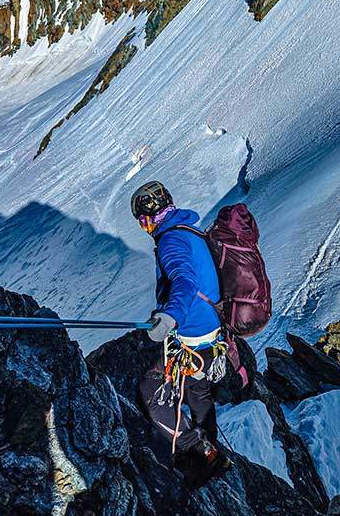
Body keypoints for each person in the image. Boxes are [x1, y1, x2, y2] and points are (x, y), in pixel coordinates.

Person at [130, 180, 230, 482]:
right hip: (212, 334)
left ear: (148, 218)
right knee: (197, 391)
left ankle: (195, 449)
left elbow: (184, 281)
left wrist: (170, 316)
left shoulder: (170, 240)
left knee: (152, 391)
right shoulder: (187, 230)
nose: (144, 228)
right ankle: (210, 452)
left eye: (142, 221)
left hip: (192, 338)